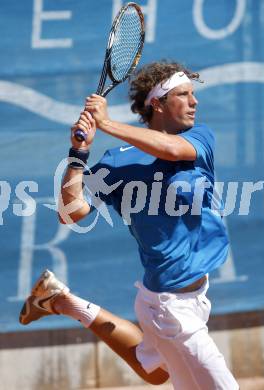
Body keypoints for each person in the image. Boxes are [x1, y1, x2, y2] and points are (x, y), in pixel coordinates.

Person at [19, 61, 239, 390]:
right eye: (183, 94)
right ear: (157, 103)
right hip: (169, 308)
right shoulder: (119, 162)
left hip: (191, 297)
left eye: (193, 94)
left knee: (153, 369)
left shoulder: (198, 138)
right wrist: (78, 154)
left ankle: (62, 301)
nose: (194, 102)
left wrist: (107, 122)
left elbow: (170, 149)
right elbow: (70, 212)